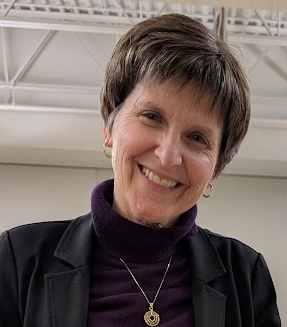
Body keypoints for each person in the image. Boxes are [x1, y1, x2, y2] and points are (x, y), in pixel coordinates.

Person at [0, 13, 281, 327]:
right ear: (109, 127)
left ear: (215, 168)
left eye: (197, 137)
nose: (168, 155)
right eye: (151, 116)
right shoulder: (18, 259)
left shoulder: (247, 275)